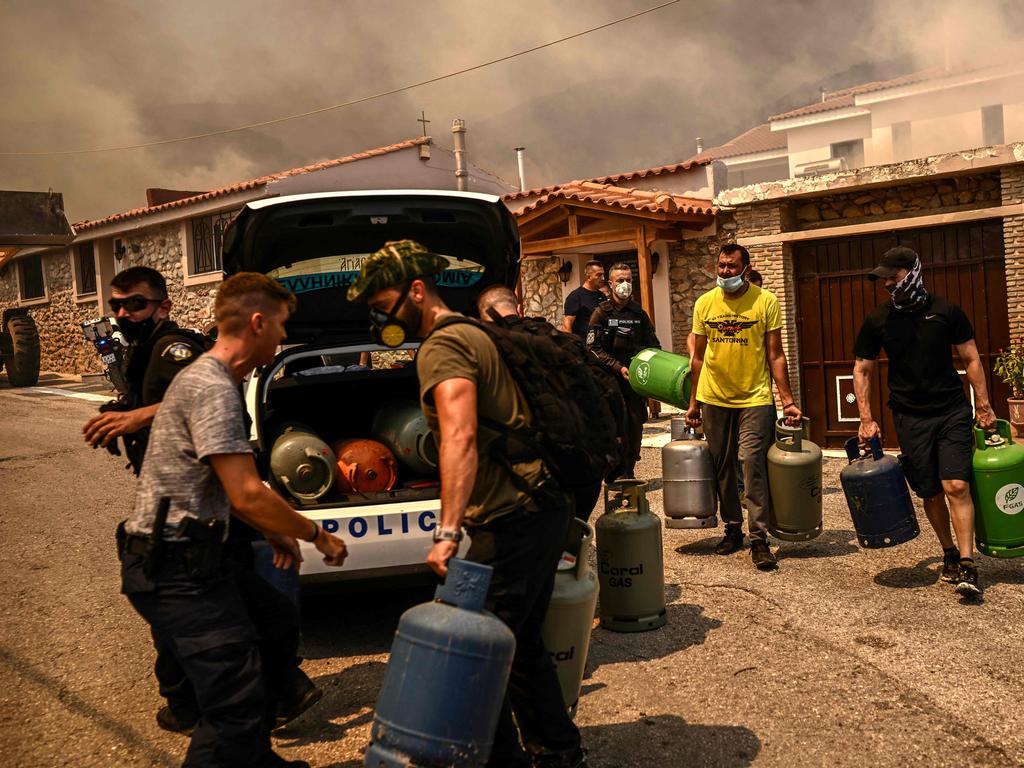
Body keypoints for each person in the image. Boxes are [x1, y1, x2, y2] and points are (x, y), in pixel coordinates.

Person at [350, 242, 586, 768]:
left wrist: (448, 531)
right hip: (542, 506)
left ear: (416, 290)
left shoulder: (443, 347)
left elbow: (458, 438)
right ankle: (559, 751)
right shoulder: (478, 332)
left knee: (481, 653)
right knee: (518, 643)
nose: (378, 316)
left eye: (382, 302)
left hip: (510, 517)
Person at [120, 272, 348, 768]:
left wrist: (269, 530)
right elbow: (246, 493)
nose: (286, 338)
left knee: (271, 628)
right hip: (173, 566)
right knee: (233, 704)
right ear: (259, 323)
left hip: (202, 553)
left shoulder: (214, 379)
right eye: (283, 326)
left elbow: (224, 484)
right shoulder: (212, 387)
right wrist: (316, 534)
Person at [853, 246, 996, 597]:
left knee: (956, 486)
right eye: (883, 278)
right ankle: (947, 551)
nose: (887, 283)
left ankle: (967, 564)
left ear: (913, 272)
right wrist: (866, 419)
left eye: (893, 276)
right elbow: (863, 368)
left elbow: (971, 358)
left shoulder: (946, 311)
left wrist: (984, 405)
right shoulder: (878, 320)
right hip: (908, 415)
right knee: (930, 490)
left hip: (950, 410)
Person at [685, 244, 802, 571]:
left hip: (755, 398)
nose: (725, 272)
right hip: (714, 397)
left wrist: (787, 401)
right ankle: (732, 528)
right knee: (722, 466)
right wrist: (693, 403)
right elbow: (696, 358)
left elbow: (776, 355)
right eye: (721, 266)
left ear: (746, 269)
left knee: (751, 462)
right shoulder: (704, 304)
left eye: (732, 267)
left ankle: (759, 538)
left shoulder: (766, 302)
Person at [477, 285, 605, 523]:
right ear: (518, 308)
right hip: (586, 465)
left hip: (541, 477)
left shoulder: (490, 349)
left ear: (483, 317)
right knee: (573, 541)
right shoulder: (561, 341)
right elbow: (603, 392)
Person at [83, 267, 207, 473]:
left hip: (191, 474)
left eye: (135, 304)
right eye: (117, 305)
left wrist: (137, 417)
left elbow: (206, 401)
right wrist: (126, 408)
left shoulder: (171, 349)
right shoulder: (143, 347)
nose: (123, 313)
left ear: (164, 308)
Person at [587, 262, 661, 478]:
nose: (625, 284)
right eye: (620, 280)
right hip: (609, 383)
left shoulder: (639, 313)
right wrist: (617, 367)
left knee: (635, 428)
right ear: (610, 284)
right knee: (614, 429)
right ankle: (614, 476)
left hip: (635, 383)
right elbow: (592, 348)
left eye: (628, 280)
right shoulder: (601, 313)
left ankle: (629, 473)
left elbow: (654, 346)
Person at [562, 260, 606, 340]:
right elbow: (566, 326)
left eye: (603, 275)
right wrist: (573, 348)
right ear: (588, 277)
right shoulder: (575, 296)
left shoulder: (602, 296)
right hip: (583, 347)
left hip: (600, 346)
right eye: (598, 275)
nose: (603, 278)